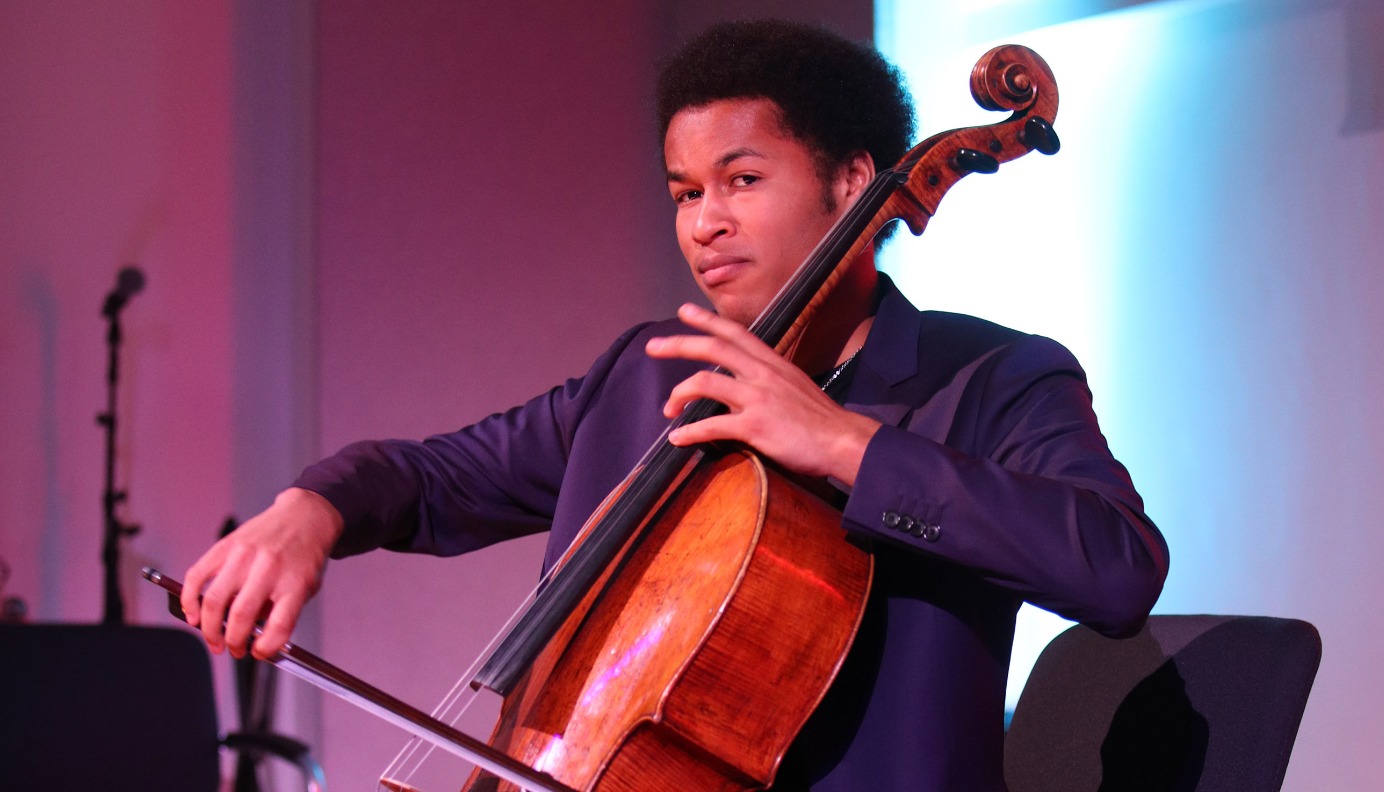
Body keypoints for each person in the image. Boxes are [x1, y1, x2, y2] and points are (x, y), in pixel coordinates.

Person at [182, 19, 1168, 791]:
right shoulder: (649, 381)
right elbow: (430, 478)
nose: (706, 223)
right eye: (684, 192)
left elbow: (1118, 568)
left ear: (853, 183)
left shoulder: (994, 377)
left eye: (741, 180)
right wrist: (308, 510)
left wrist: (845, 446)